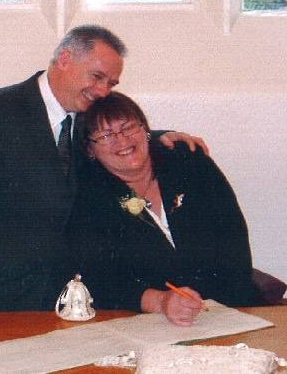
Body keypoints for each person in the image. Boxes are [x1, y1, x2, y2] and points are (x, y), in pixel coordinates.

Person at [0, 25, 208, 330]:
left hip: (63, 295)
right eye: (97, 77)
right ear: (65, 59)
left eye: (110, 83)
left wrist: (164, 137)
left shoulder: (86, 118)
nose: (102, 91)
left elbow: (115, 140)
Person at [68, 91, 260, 327]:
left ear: (146, 130)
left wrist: (225, 309)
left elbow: (235, 242)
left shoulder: (190, 163)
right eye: (106, 135)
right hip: (148, 325)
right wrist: (159, 301)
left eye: (128, 128)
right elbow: (97, 278)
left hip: (229, 311)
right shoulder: (91, 199)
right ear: (90, 150)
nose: (122, 140)